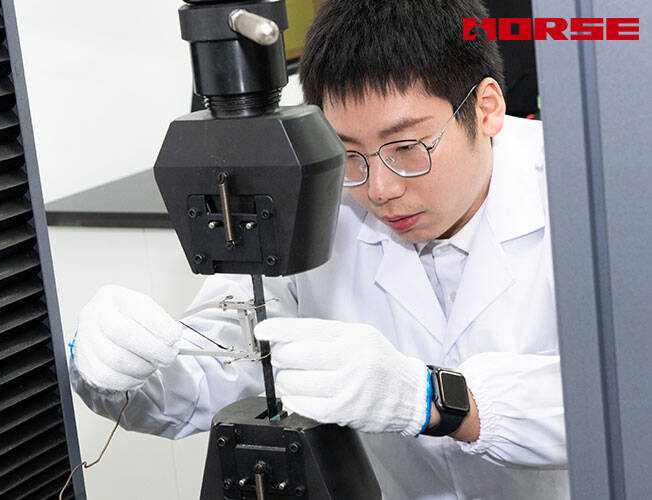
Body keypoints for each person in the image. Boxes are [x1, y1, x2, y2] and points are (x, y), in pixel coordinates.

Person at [70, 0, 568, 498]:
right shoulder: (316, 200)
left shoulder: (584, 192)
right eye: (348, 153)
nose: (379, 189)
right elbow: (211, 370)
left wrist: (430, 399)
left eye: (406, 148)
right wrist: (121, 368)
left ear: (486, 108)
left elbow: (607, 393)